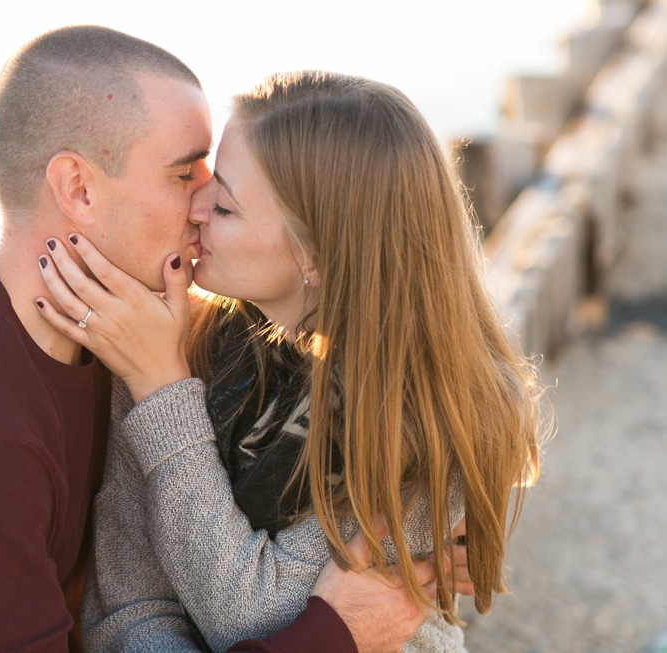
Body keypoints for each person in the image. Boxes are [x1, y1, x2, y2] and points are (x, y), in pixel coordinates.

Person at [0, 28, 436, 653]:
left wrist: (427, 521)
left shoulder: (126, 328)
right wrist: (331, 634)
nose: (207, 196)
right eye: (185, 173)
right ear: (78, 188)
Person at [35, 71, 544, 652]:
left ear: (318, 256)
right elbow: (127, 605)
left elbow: (259, 622)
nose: (193, 207)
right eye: (200, 178)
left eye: (223, 205)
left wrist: (161, 391)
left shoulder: (434, 416)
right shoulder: (183, 337)